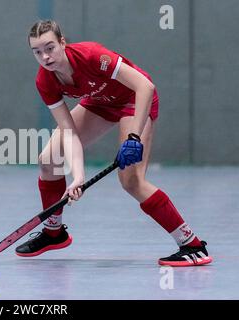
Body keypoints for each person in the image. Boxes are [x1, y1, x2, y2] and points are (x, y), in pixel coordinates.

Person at [15, 20, 212, 267]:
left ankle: (192, 245)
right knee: (49, 160)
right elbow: (69, 131)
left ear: (63, 42)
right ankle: (54, 232)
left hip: (134, 99)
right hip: (99, 102)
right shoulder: (45, 81)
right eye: (37, 52)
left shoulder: (92, 56)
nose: (45, 56)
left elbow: (144, 86)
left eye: (50, 47)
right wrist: (78, 177)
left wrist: (134, 138)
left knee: (131, 180)